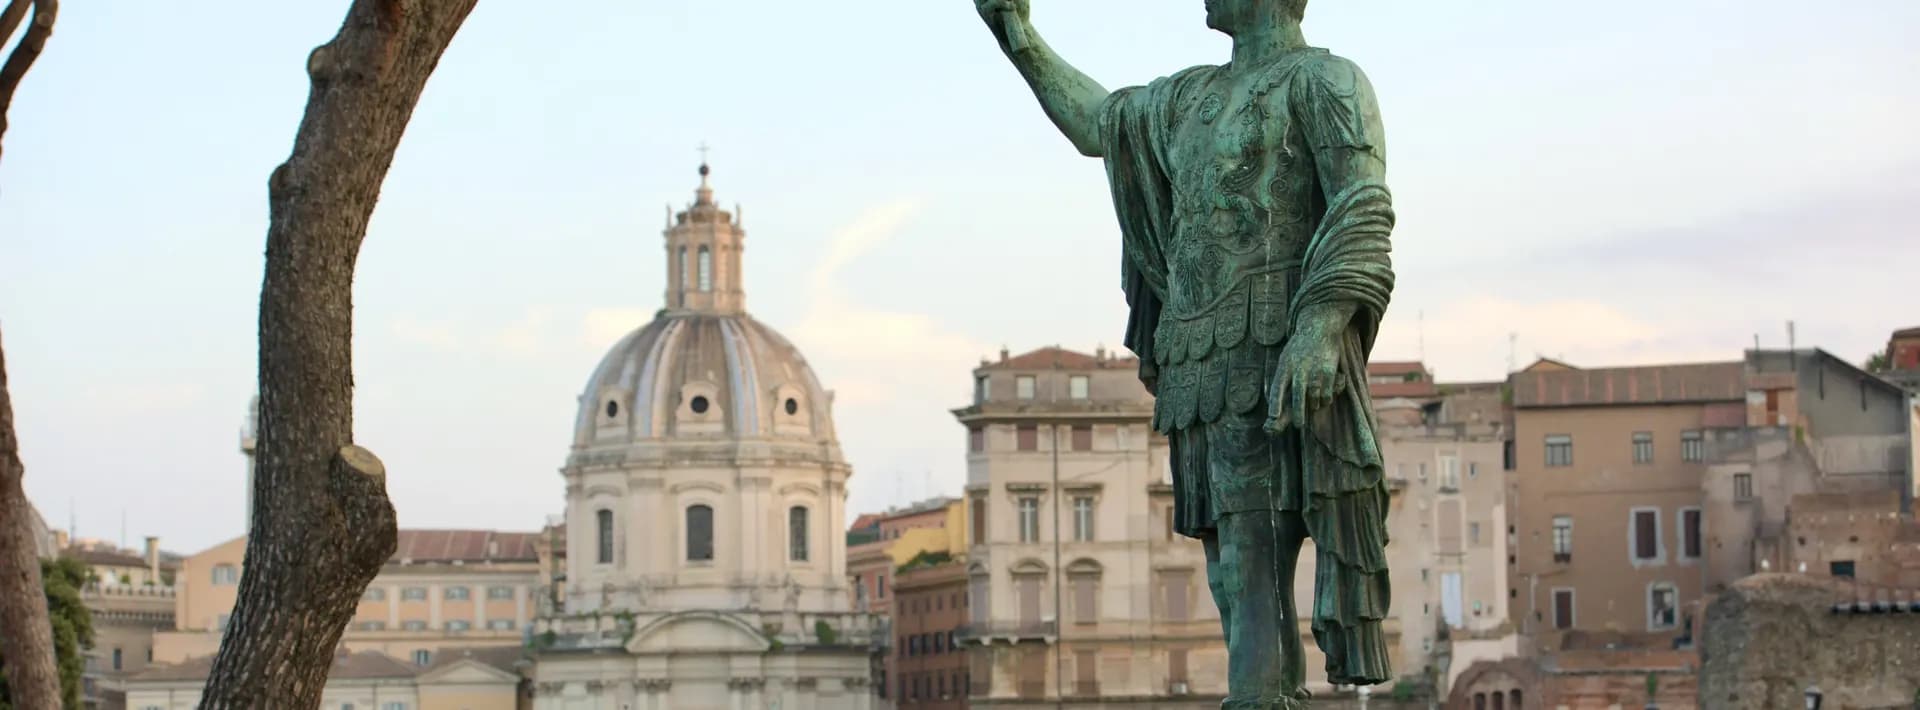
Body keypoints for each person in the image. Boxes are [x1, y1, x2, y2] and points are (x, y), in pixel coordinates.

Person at [971, 1, 1399, 705]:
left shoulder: (1327, 81)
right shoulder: (1187, 98)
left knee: (1255, 545)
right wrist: (1019, 36)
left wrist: (1323, 324)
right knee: (1233, 566)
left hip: (1277, 341)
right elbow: (1099, 124)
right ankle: (1265, 694)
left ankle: (1260, 698)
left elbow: (1361, 203)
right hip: (1201, 355)